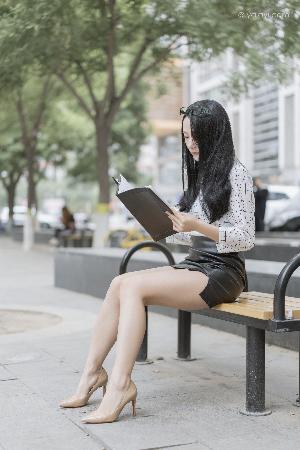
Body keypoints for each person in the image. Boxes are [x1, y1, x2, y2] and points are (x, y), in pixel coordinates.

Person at [59, 99, 255, 424]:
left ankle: (120, 385)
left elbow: (246, 238)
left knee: (133, 288)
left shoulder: (237, 174)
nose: (190, 144)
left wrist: (198, 225)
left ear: (214, 134)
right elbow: (188, 235)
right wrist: (152, 220)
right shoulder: (201, 175)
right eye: (186, 137)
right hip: (198, 264)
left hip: (224, 271)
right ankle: (91, 375)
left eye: (195, 137)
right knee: (119, 283)